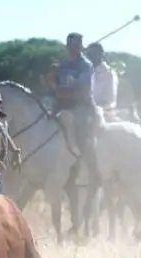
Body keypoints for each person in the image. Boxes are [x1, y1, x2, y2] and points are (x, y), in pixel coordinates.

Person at [53, 33, 102, 200]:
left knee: (81, 135)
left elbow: (83, 92)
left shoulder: (86, 66)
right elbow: (54, 87)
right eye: (71, 48)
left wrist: (62, 92)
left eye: (76, 47)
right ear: (67, 48)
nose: (73, 51)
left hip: (83, 107)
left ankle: (89, 171)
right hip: (63, 105)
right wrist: (52, 78)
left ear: (81, 48)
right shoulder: (62, 65)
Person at [84, 43, 119, 117]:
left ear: (101, 55)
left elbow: (109, 101)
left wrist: (94, 108)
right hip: (83, 111)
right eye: (88, 54)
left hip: (104, 113)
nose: (90, 56)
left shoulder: (109, 74)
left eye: (93, 54)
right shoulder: (84, 70)